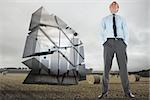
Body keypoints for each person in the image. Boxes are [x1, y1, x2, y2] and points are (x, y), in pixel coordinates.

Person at [98, 1, 135, 99]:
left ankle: (127, 92)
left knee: (123, 68)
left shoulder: (122, 19)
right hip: (108, 43)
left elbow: (126, 31)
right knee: (106, 68)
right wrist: (104, 43)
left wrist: (124, 43)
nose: (113, 8)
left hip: (120, 43)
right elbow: (101, 32)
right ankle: (104, 92)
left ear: (118, 9)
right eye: (111, 6)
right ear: (109, 8)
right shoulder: (104, 19)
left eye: (115, 6)